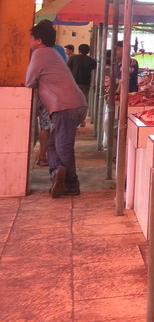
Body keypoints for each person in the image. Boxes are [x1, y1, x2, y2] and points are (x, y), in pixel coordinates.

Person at [26, 21, 88, 198]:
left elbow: (29, 81)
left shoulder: (40, 53)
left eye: (31, 37)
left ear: (39, 40)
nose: (29, 40)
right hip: (74, 104)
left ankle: (71, 184)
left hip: (65, 107)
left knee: (63, 147)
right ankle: (57, 172)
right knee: (53, 145)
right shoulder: (53, 53)